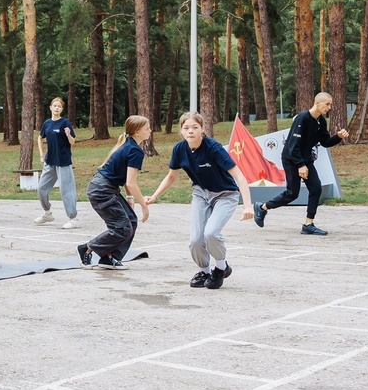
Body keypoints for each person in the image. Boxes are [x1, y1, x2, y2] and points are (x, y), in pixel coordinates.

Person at [146, 111, 255, 289]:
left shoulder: (214, 148)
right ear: (181, 131)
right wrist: (155, 195)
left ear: (203, 129)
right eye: (186, 128)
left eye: (195, 127)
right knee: (196, 239)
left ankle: (221, 268)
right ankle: (204, 271)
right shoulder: (179, 149)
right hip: (201, 194)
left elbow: (239, 176)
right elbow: (171, 177)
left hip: (225, 194)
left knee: (210, 233)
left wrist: (248, 206)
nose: (190, 131)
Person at [253, 92, 348, 235]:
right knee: (292, 193)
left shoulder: (321, 121)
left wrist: (338, 137)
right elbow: (292, 146)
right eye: (327, 104)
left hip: (305, 159)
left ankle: (308, 225)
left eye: (330, 104)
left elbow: (325, 142)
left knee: (316, 188)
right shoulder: (302, 118)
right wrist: (300, 165)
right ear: (317, 102)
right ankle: (262, 207)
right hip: (292, 159)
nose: (329, 107)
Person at [80, 115, 151, 270]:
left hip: (107, 188)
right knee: (121, 228)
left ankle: (110, 258)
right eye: (147, 128)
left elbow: (127, 180)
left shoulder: (129, 145)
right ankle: (87, 248)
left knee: (131, 221)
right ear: (138, 131)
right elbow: (131, 183)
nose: (150, 130)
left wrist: (130, 197)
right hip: (102, 190)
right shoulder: (134, 150)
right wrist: (144, 205)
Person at [35, 98, 80, 229]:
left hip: (63, 161)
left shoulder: (65, 123)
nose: (56, 108)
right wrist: (42, 155)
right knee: (41, 188)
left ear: (62, 109)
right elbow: (40, 137)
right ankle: (47, 213)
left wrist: (68, 135)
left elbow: (73, 142)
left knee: (66, 190)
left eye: (59, 106)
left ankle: (73, 219)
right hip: (50, 161)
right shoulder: (47, 124)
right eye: (54, 106)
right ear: (50, 107)